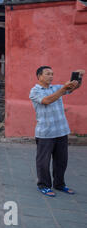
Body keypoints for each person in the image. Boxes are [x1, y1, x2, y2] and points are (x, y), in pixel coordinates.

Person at [29, 66, 84, 197]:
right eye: (48, 74)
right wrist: (63, 89)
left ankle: (59, 184)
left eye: (52, 74)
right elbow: (47, 101)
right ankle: (43, 185)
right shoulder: (35, 91)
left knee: (61, 161)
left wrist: (79, 79)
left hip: (61, 130)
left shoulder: (56, 87)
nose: (51, 76)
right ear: (39, 76)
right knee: (43, 161)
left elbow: (73, 88)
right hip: (45, 133)